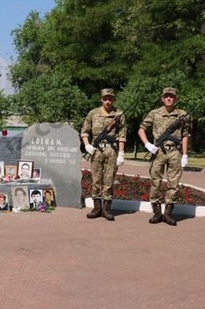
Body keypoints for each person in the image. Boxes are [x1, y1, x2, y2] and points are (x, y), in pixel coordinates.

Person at [138, 87, 190, 226]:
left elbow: (185, 135)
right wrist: (148, 144)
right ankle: (156, 212)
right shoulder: (154, 113)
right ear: (162, 98)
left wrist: (185, 154)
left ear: (175, 99)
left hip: (175, 152)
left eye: (171, 96)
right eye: (166, 96)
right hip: (158, 152)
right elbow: (141, 129)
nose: (169, 98)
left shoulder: (182, 115)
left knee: (173, 183)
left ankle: (168, 213)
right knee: (156, 181)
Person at [81, 88, 127, 221]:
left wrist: (121, 153)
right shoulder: (93, 113)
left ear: (113, 100)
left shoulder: (119, 114)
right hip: (96, 150)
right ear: (101, 99)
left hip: (111, 150)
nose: (108, 101)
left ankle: (107, 209)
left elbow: (122, 135)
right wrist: (87, 145)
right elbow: (85, 130)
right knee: (96, 179)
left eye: (110, 98)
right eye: (105, 98)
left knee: (109, 179)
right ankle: (96, 208)